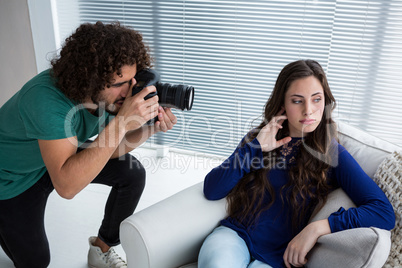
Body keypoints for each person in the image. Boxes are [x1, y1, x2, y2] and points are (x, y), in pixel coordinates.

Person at [0, 21, 177, 268]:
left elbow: (111, 149)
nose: (129, 91)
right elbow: (67, 186)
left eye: (131, 80)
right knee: (35, 261)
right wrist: (123, 121)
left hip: (57, 157)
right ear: (89, 79)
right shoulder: (44, 101)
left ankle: (101, 249)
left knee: (131, 172)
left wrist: (151, 128)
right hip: (11, 179)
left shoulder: (110, 97)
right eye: (119, 84)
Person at [198, 59, 395, 268]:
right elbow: (212, 190)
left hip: (279, 259)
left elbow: (383, 212)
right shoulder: (260, 137)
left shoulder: (333, 153)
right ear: (282, 103)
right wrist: (254, 147)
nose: (309, 110)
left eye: (316, 99)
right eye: (297, 101)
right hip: (233, 237)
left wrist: (318, 228)